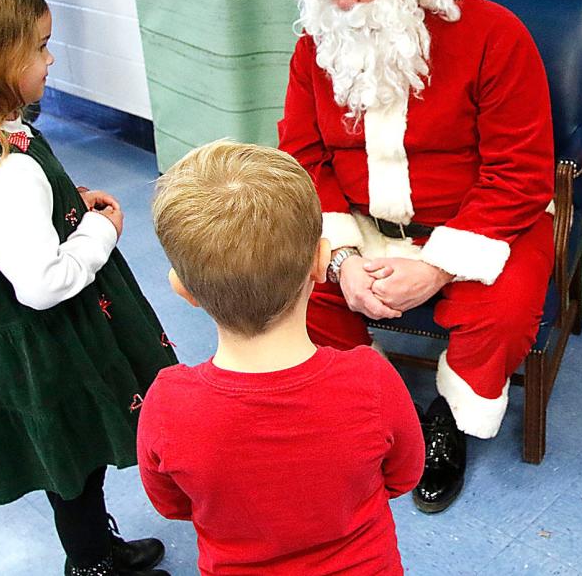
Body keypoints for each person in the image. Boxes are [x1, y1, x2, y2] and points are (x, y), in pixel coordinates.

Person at [278, 0, 555, 513]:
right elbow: (303, 156)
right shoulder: (315, 50)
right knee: (292, 291)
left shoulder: (492, 35)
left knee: (500, 314)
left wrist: (437, 264)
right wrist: (344, 258)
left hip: (483, 222)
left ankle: (448, 420)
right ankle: (358, 407)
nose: (345, 2)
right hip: (356, 226)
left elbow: (520, 173)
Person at [0, 0, 177, 576]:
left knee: (75, 458)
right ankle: (89, 564)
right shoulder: (3, 171)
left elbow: (8, 231)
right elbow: (41, 282)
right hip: (51, 345)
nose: (51, 59)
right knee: (73, 462)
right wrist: (100, 230)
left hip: (39, 344)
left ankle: (94, 548)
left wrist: (62, 206)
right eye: (40, 47)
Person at [139, 140, 424, 575]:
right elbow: (403, 475)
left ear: (184, 290)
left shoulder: (166, 405)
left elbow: (173, 504)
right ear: (321, 262)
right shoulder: (371, 380)